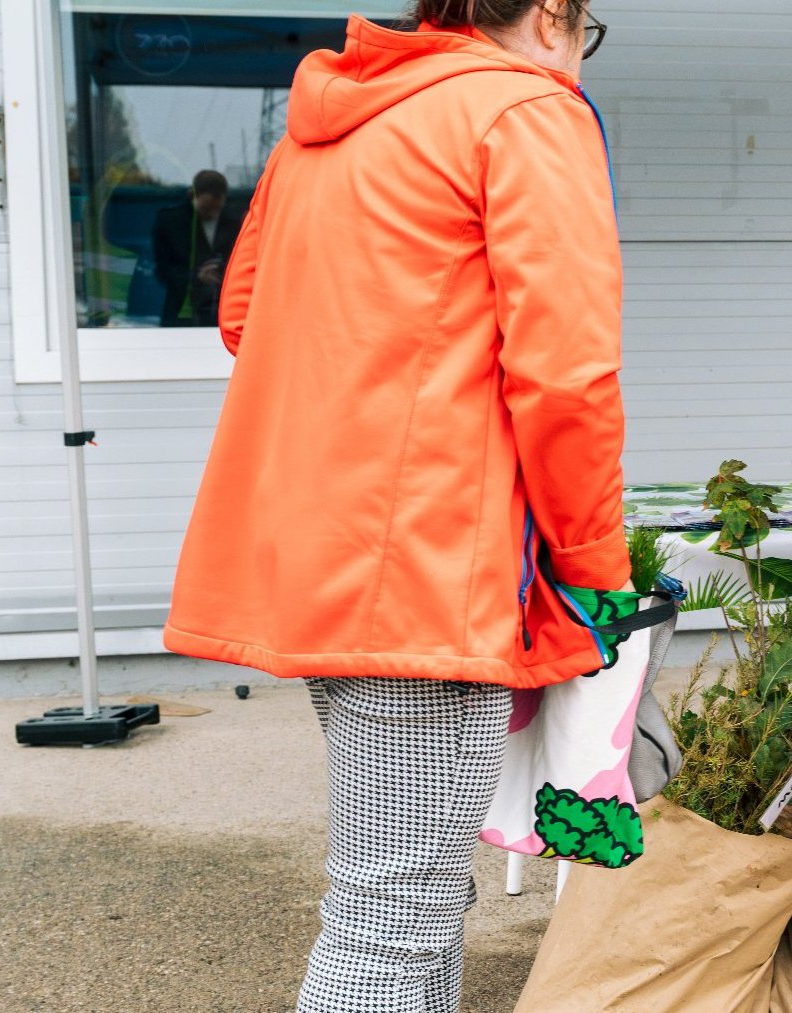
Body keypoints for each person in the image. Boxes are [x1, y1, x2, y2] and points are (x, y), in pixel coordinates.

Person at [163, 3, 623, 1011]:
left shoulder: (324, 123)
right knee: (387, 921)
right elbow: (567, 378)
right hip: (422, 566)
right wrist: (595, 571)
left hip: (312, 555)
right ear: (551, 11)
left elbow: (242, 316)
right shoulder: (521, 114)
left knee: (410, 908)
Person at [151, 169, 244, 326]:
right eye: (205, 209)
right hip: (181, 311)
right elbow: (162, 269)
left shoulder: (237, 221)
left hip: (225, 309)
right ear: (191, 196)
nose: (212, 214)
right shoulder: (170, 222)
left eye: (216, 208)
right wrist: (195, 277)